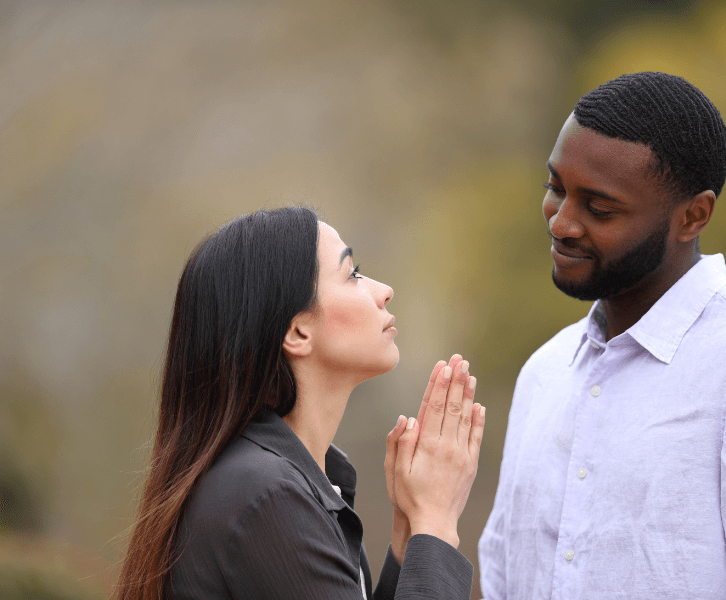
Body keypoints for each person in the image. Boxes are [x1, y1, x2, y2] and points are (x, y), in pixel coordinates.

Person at [478, 72, 726, 599]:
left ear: (693, 216)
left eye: (599, 208)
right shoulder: (544, 372)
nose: (561, 223)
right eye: (555, 189)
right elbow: (502, 581)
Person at [115, 206, 485, 600]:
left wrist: (412, 537)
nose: (383, 290)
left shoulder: (288, 481)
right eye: (353, 275)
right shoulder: (267, 495)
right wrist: (436, 522)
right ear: (297, 332)